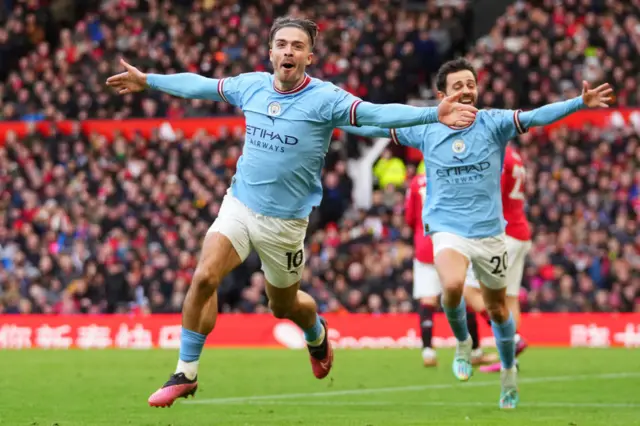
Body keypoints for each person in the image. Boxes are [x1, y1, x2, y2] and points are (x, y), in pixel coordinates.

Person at [106, 17, 478, 408]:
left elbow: (376, 114)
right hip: (240, 204)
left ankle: (316, 334)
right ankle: (186, 372)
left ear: (309, 57)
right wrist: (149, 81)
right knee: (204, 276)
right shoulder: (250, 85)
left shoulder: (326, 99)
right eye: (281, 44)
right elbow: (200, 86)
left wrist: (431, 114)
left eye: (297, 46)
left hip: (285, 224)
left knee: (283, 306)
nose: (288, 51)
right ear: (270, 52)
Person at [338, 57, 613, 409]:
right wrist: (334, 117)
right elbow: (374, 126)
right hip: (447, 229)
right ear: (442, 95)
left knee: (498, 311)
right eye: (458, 86)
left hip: (489, 234)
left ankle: (509, 372)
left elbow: (535, 117)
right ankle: (464, 343)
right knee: (451, 287)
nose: (467, 90)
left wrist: (579, 102)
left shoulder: (492, 123)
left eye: (471, 84)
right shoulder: (426, 128)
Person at [404, 171, 497, 367]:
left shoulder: (416, 182)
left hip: (424, 244)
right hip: (450, 243)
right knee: (467, 294)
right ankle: (479, 349)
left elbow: (410, 218)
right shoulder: (454, 177)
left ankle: (428, 351)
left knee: (427, 299)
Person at [464, 144, 531, 373]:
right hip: (520, 232)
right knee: (509, 298)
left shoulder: (499, 157)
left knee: (468, 289)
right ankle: (509, 361)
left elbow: (492, 199)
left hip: (503, 235)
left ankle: (511, 338)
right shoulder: (515, 155)